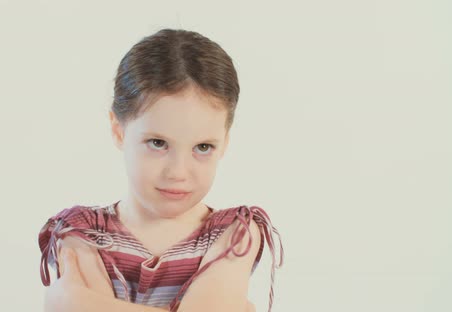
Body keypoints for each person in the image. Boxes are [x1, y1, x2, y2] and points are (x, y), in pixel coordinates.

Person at [38, 28, 284, 312]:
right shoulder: (80, 232)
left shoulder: (236, 233)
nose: (178, 172)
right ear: (119, 131)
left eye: (203, 147)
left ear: (225, 142)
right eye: (158, 143)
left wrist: (71, 303)